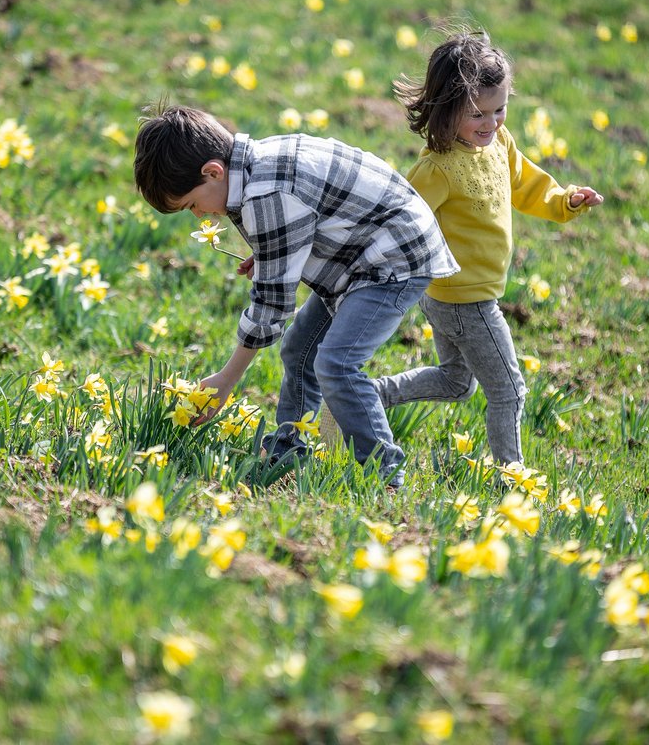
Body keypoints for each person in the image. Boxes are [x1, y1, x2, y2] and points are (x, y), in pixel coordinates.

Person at [133, 103, 459, 487]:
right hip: (356, 254)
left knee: (336, 364)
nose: (199, 216)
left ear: (213, 172)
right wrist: (274, 251)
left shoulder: (266, 195)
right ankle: (289, 449)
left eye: (192, 205)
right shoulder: (258, 164)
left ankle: (385, 473)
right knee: (298, 349)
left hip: (393, 259)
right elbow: (312, 210)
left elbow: (271, 303)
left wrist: (226, 378)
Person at [371, 31, 604, 466]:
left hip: (453, 296)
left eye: (501, 110)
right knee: (509, 390)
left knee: (458, 382)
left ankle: (371, 395)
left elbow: (528, 185)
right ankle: (511, 479)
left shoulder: (498, 143)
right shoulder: (437, 168)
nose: (492, 123)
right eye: (478, 113)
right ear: (447, 108)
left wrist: (565, 201)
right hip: (466, 298)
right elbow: (397, 218)